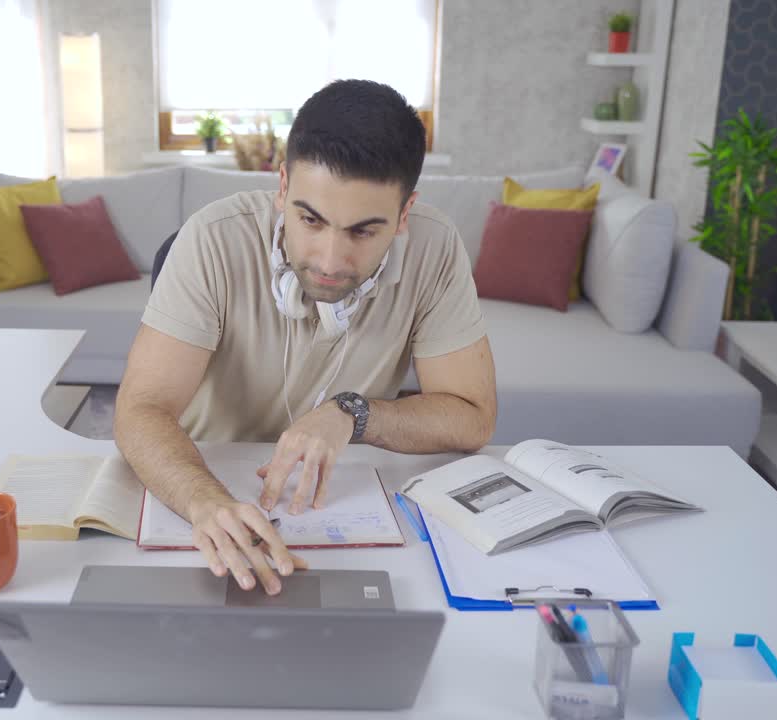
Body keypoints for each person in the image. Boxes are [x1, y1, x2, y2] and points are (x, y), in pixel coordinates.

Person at [114, 80, 497, 595]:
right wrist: (203, 498)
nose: (330, 261)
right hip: (204, 488)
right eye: (310, 219)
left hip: (345, 502)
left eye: (363, 231)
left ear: (405, 215)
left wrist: (353, 413)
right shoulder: (210, 238)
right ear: (282, 187)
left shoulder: (436, 246)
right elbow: (140, 408)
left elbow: (472, 418)